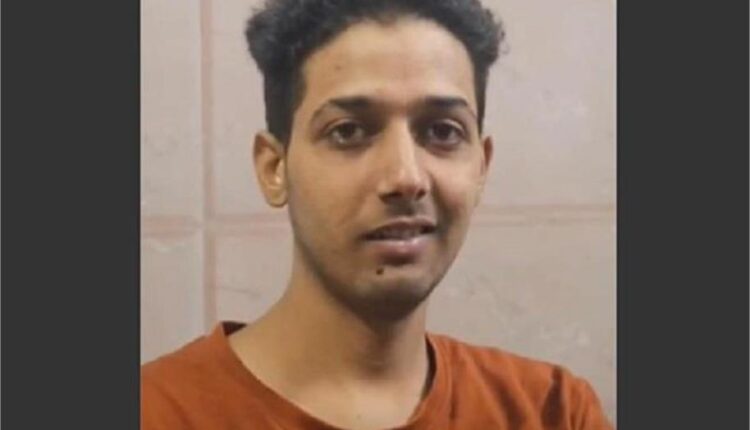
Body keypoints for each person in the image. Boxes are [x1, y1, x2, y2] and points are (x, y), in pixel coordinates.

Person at [141, 0, 614, 428]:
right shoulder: (156, 413)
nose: (406, 177)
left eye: (443, 132)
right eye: (348, 131)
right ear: (274, 168)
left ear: (481, 167)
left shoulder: (550, 412)